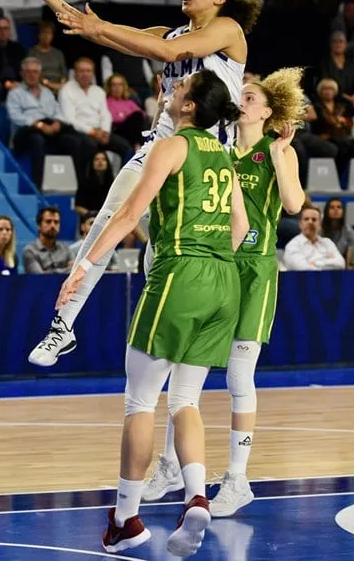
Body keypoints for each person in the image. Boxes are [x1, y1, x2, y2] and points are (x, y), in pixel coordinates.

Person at [18, 0, 257, 367]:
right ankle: (64, 324)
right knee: (109, 219)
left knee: (162, 256)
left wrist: (100, 28)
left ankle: (180, 331)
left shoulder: (227, 31)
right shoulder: (173, 31)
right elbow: (105, 34)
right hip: (162, 145)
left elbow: (168, 50)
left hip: (208, 156)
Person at [56, 69, 248, 556]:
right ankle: (198, 495)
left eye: (179, 88)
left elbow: (127, 214)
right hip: (225, 282)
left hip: (180, 275)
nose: (169, 90)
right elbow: (241, 228)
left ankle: (126, 519)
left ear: (189, 107)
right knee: (185, 400)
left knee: (140, 402)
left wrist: (84, 267)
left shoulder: (170, 147)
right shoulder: (224, 156)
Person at [141, 69, 306, 519]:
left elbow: (294, 205)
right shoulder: (218, 149)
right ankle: (173, 465)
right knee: (184, 377)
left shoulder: (276, 152)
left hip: (255, 272)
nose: (243, 101)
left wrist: (280, 153)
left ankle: (237, 478)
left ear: (268, 111)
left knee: (237, 379)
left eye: (250, 96)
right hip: (215, 268)